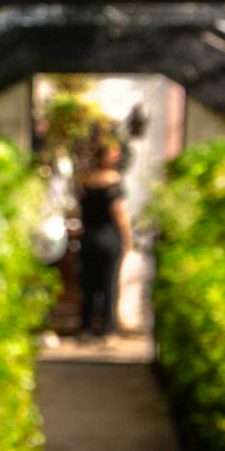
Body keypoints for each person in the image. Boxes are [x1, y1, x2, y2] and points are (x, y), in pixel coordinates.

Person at [77, 140, 133, 338]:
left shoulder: (84, 180)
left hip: (88, 237)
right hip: (109, 236)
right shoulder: (114, 180)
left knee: (89, 285)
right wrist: (128, 239)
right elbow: (119, 212)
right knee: (109, 284)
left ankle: (85, 327)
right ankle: (108, 329)